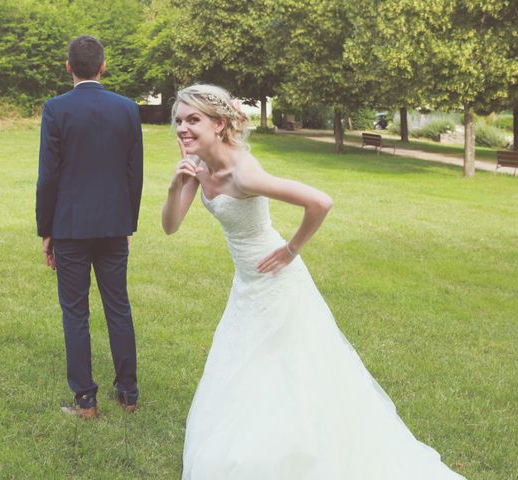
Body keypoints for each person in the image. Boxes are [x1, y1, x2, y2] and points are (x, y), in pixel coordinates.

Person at [162, 84, 466, 479]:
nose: (182, 128)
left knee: (293, 369)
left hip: (277, 283)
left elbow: (319, 201)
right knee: (245, 368)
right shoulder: (196, 166)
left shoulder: (243, 172)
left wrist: (291, 249)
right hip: (247, 284)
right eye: (179, 121)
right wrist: (175, 185)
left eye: (192, 120)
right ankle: (249, 448)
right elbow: (170, 226)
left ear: (219, 124)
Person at [36, 36, 143, 419]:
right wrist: (127, 225)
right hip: (114, 226)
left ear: (68, 67)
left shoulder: (55, 109)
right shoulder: (128, 109)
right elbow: (135, 175)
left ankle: (86, 401)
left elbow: (48, 177)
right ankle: (128, 394)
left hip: (69, 227)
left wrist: (46, 230)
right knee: (119, 307)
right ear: (104, 66)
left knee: (75, 313)